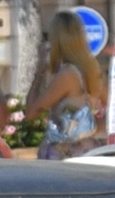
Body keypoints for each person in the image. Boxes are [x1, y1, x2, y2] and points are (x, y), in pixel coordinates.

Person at [29, 9, 106, 160]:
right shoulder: (90, 69)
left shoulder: (67, 75)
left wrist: (39, 73)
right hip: (87, 151)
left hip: (64, 154)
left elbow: (31, 112)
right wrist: (93, 131)